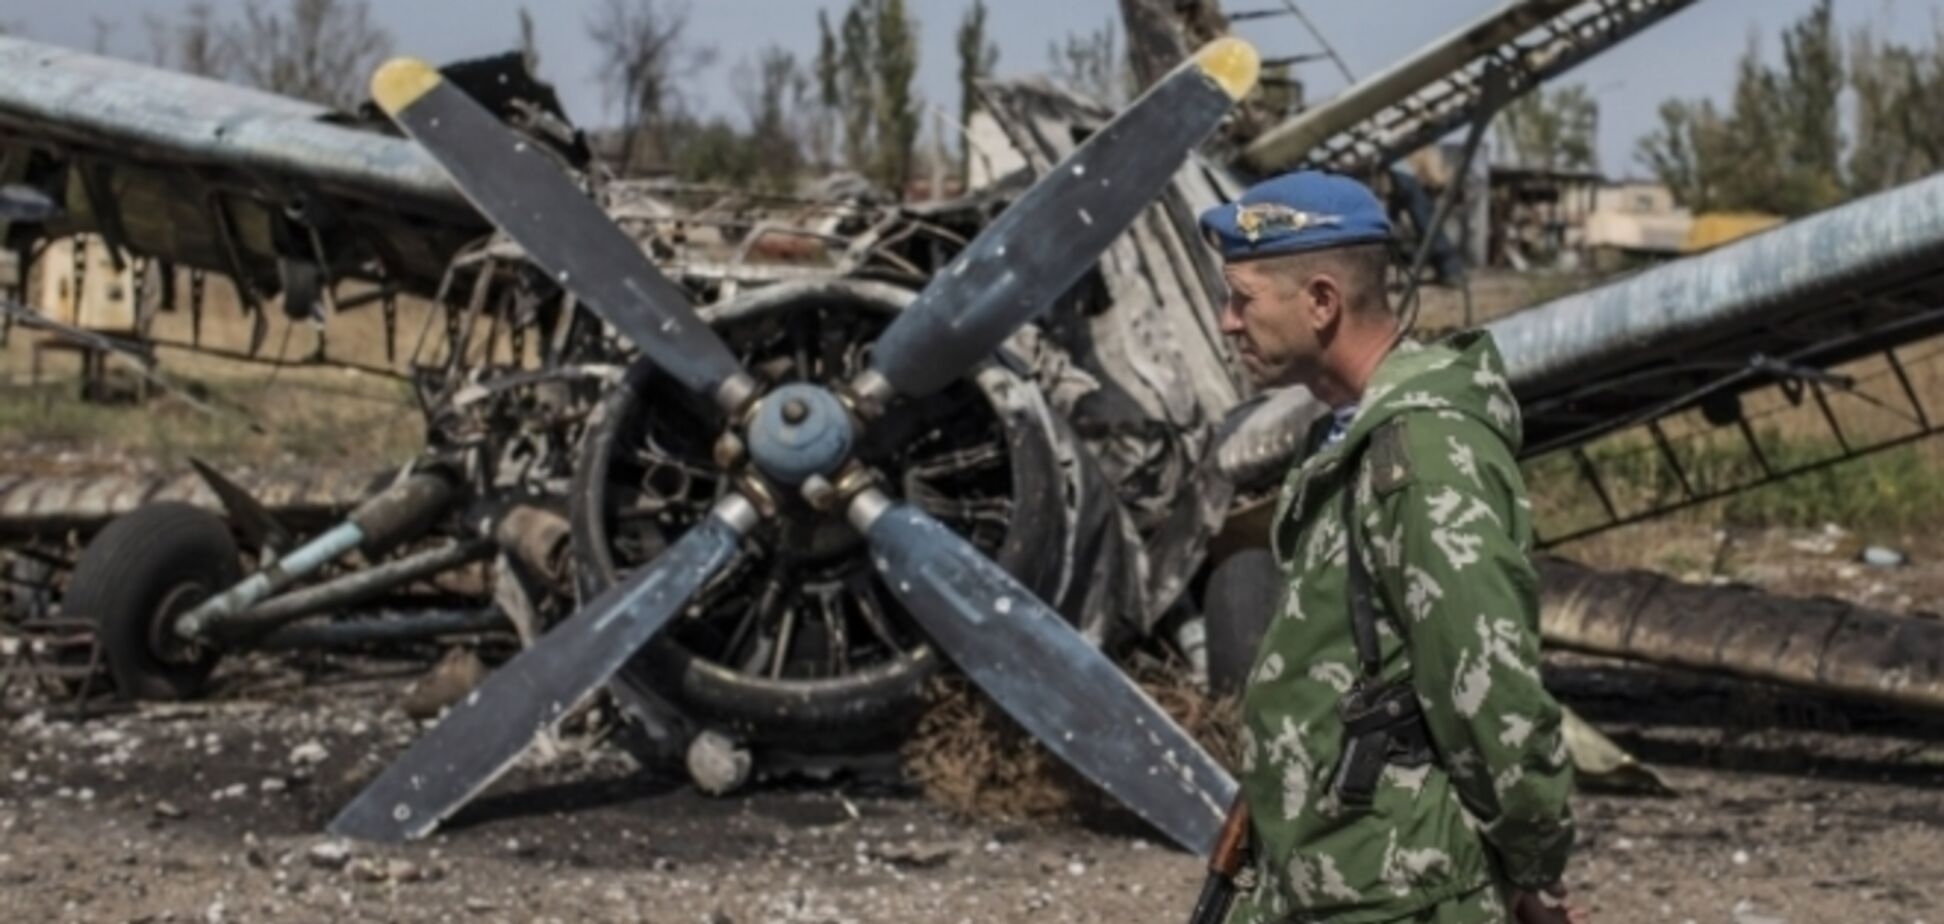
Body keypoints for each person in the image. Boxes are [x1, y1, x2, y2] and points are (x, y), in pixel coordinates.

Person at [1199, 171, 1584, 924]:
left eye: (1242, 299)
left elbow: (1489, 686)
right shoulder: (1347, 436)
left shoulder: (1424, 453)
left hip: (1396, 893)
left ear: (1321, 301)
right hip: (1326, 878)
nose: (1226, 322)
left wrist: (1533, 870)